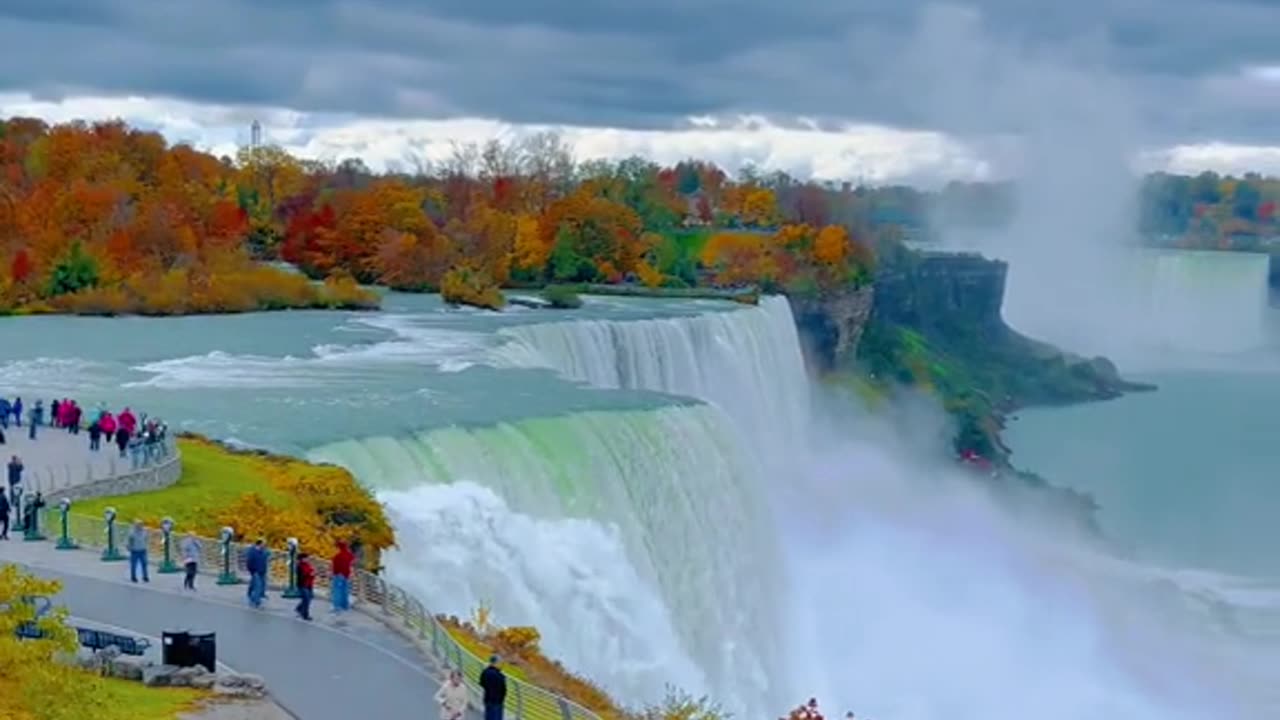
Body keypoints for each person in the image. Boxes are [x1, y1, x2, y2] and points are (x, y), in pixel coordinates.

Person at [479, 655, 507, 720]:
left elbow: (482, 683)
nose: (501, 665)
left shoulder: (485, 672)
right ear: (496, 663)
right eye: (500, 663)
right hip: (497, 702)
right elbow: (503, 689)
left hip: (488, 699)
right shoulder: (499, 676)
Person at [330, 540, 355, 612]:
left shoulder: (337, 556)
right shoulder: (349, 555)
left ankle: (337, 607)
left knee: (337, 591)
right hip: (347, 575)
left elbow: (334, 566)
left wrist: (333, 573)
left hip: (338, 575)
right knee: (345, 590)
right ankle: (345, 605)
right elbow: (352, 564)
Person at [244, 539, 268, 608]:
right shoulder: (252, 552)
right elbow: (249, 562)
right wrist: (252, 571)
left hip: (262, 571)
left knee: (256, 585)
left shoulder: (263, 552)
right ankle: (256, 601)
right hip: (256, 571)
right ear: (259, 544)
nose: (265, 545)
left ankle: (250, 595)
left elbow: (265, 559)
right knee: (258, 586)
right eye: (264, 544)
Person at [294, 552, 315, 621]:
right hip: (303, 585)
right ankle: (305, 615)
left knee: (309, 598)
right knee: (306, 599)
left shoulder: (308, 565)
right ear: (302, 559)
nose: (308, 559)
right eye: (306, 558)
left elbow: (311, 571)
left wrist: (312, 574)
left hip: (309, 584)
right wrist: (309, 574)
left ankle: (299, 608)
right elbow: (301, 577)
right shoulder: (299, 566)